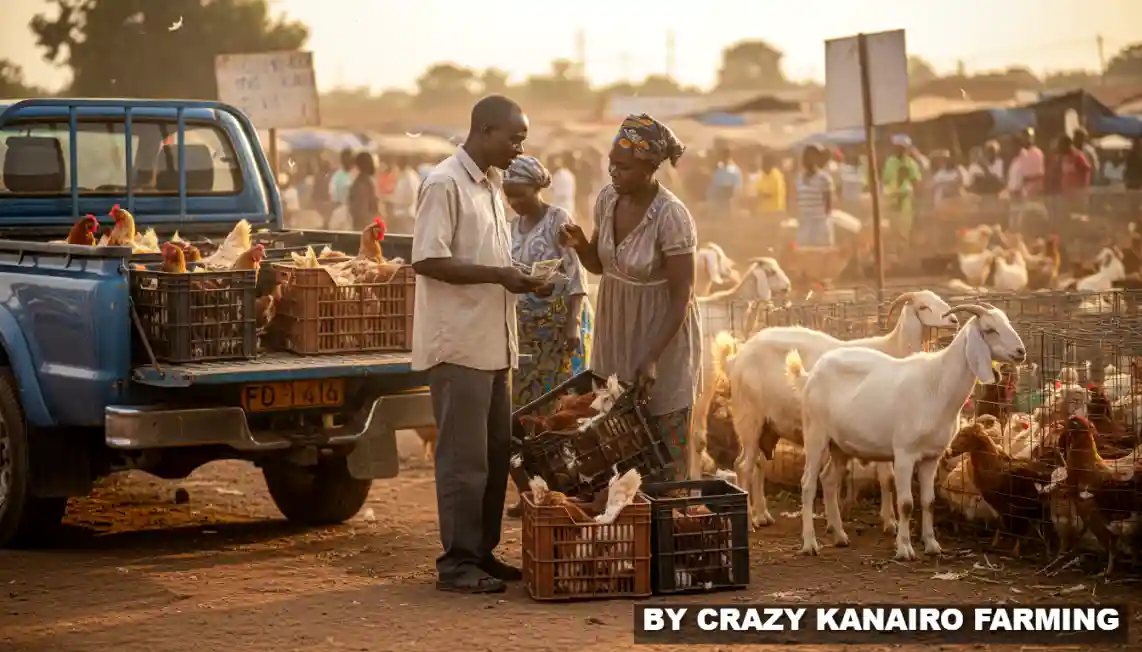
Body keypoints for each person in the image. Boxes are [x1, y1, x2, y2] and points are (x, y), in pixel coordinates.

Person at [411, 95, 550, 594]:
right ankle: (457, 563)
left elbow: (490, 261)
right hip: (460, 346)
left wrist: (524, 280)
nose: (519, 148)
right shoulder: (445, 183)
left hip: (495, 344)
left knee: (493, 456)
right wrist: (499, 275)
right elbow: (427, 260)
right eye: (514, 138)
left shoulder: (491, 185)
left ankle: (482, 552)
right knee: (462, 461)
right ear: (484, 130)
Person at [558, 114, 701, 480]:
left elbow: (681, 294)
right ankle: (626, 523)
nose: (613, 173)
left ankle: (667, 526)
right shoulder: (607, 200)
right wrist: (579, 246)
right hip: (615, 330)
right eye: (611, 164)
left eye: (623, 167)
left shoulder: (671, 217)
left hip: (660, 335)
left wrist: (652, 356)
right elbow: (602, 266)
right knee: (615, 437)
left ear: (650, 167)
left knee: (663, 439)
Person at [501, 155, 594, 518]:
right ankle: (532, 493)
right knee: (523, 416)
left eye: (520, 194)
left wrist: (572, 324)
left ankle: (562, 493)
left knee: (561, 414)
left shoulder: (559, 221)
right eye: (509, 195)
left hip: (560, 329)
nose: (514, 202)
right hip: (527, 331)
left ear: (537, 188)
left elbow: (576, 276)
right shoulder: (511, 227)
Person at [794, 145, 835, 247]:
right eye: (805, 157)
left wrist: (822, 219)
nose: (807, 160)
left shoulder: (825, 178)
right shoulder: (799, 178)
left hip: (819, 224)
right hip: (804, 224)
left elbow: (829, 204)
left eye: (811, 156)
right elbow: (797, 200)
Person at [1007, 128, 1046, 232]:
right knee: (1015, 224)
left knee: (1026, 225)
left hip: (1030, 195)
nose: (1026, 139)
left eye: (1028, 136)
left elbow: (1039, 175)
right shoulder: (1018, 158)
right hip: (1017, 196)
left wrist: (1024, 182)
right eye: (1023, 136)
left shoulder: (1037, 153)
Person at [388, 157, 421, 234]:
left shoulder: (409, 178)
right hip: (402, 217)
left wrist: (392, 200)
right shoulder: (405, 176)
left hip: (407, 216)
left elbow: (410, 198)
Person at [706, 146, 742, 218]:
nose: (723, 157)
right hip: (720, 193)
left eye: (725, 155)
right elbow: (716, 181)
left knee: (729, 214)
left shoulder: (732, 167)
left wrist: (735, 194)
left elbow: (737, 183)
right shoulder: (720, 167)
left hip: (729, 194)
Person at [347, 152, 379, 230]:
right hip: (364, 226)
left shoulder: (363, 182)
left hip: (363, 225)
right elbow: (365, 209)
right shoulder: (364, 183)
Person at [328, 148, 356, 229]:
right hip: (340, 214)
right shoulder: (337, 177)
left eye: (351, 159)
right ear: (342, 160)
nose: (349, 161)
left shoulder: (357, 175)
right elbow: (333, 199)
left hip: (355, 215)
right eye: (347, 159)